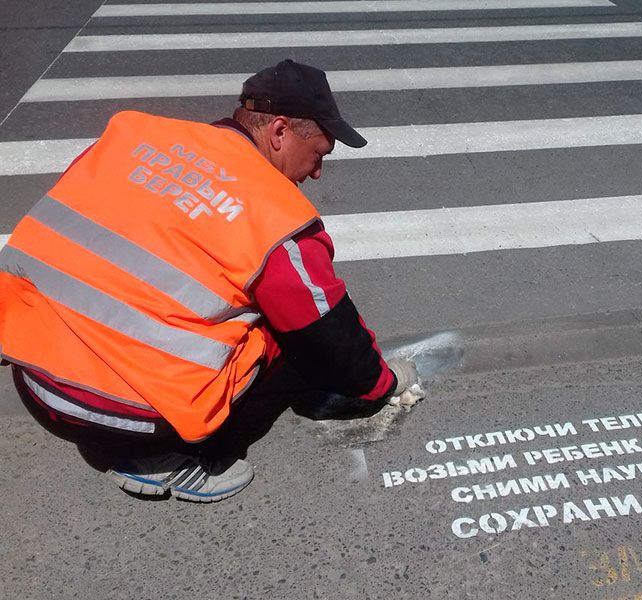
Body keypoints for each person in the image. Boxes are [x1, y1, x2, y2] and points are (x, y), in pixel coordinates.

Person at [0, 59, 423, 502]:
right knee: (276, 328)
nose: (316, 172)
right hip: (117, 413)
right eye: (319, 153)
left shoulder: (134, 136)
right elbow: (327, 332)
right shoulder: (274, 214)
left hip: (32, 372)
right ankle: (158, 460)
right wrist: (382, 384)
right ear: (280, 131)